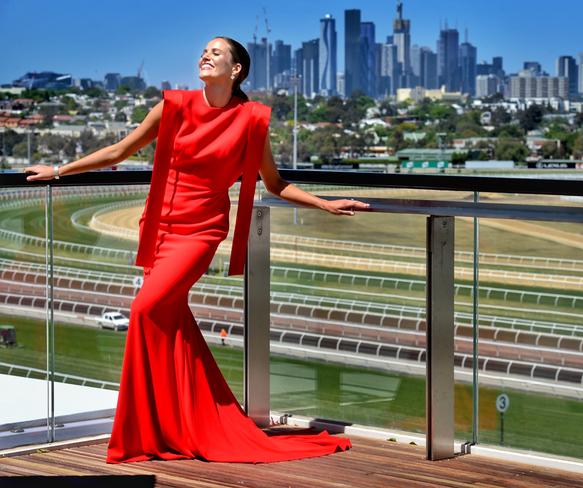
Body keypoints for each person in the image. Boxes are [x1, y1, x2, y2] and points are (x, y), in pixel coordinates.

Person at [24, 35, 368, 464]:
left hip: (200, 232)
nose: (205, 55)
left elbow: (274, 183)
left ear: (236, 69)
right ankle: (185, 423)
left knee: (144, 311)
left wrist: (325, 204)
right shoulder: (172, 106)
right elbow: (120, 151)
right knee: (171, 322)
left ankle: (147, 429)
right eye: (204, 51)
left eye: (216, 52)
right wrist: (58, 170)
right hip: (160, 228)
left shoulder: (251, 120)